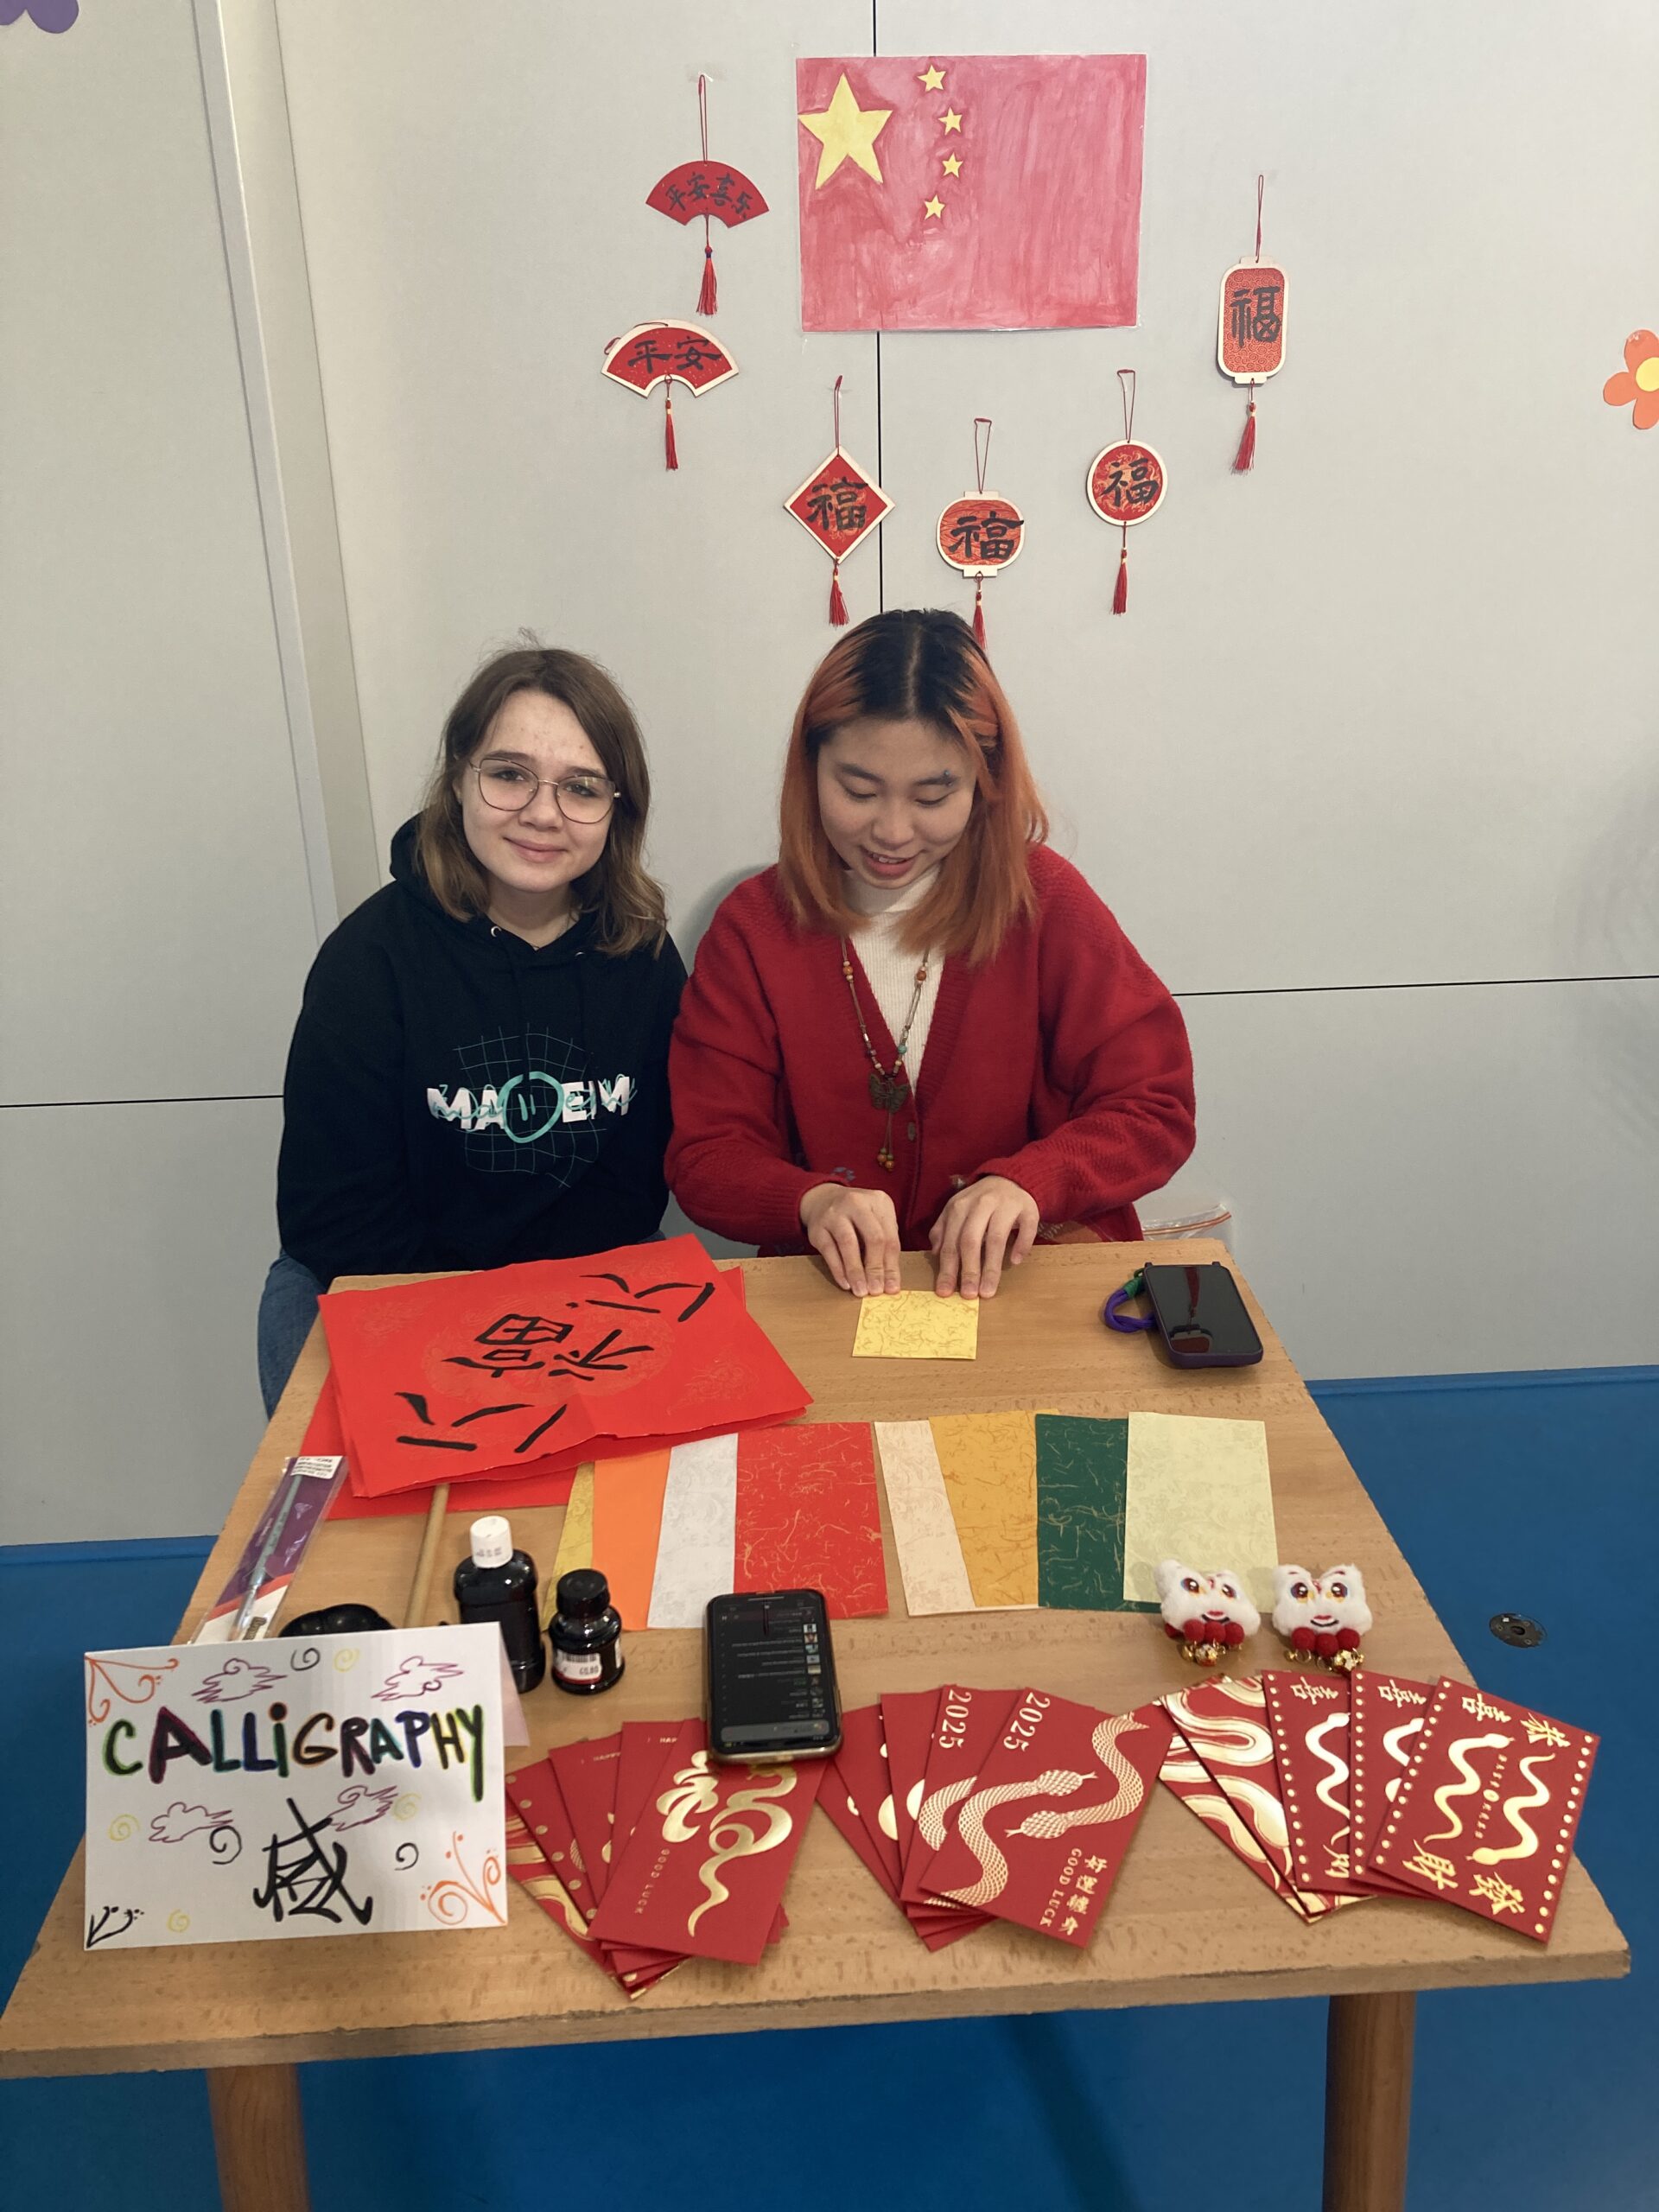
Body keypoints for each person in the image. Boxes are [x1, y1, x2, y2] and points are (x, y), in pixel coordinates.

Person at [666, 609, 1193, 1300]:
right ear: (810, 768)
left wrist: (1031, 1182)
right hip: (838, 1295)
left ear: (983, 781)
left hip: (1026, 1287)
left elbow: (1154, 1105)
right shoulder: (755, 927)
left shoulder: (1043, 900)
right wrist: (810, 1201)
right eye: (858, 791)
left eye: (933, 795)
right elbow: (707, 1155)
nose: (892, 832)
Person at [258, 645, 685, 1414]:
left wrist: (542, 1333)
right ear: (458, 777)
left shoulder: (642, 955)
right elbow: (337, 1214)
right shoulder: (368, 960)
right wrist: (481, 1345)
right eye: (510, 774)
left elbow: (635, 1188)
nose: (544, 813)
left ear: (617, 810)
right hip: (396, 1291)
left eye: (581, 787)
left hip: (579, 1296)